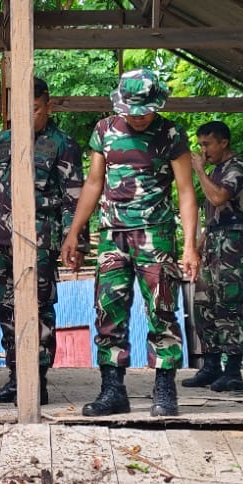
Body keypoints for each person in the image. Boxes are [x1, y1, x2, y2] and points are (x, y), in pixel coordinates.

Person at [62, 70, 200, 418]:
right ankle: (112, 390)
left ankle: (164, 390)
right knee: (108, 311)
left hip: (156, 234)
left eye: (144, 110)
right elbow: (94, 183)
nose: (138, 117)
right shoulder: (105, 131)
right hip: (112, 234)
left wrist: (189, 246)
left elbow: (186, 191)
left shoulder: (171, 134)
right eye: (131, 111)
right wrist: (74, 231)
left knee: (162, 311)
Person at [0, 76, 84, 403]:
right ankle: (17, 377)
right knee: (4, 306)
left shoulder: (62, 144)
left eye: (36, 108)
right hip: (2, 239)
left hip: (40, 242)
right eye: (22, 109)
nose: (29, 115)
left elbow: (74, 199)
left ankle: (37, 382)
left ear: (48, 105)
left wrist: (75, 240)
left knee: (39, 309)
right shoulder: (3, 140)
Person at [183, 121, 243, 393]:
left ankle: (233, 370)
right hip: (212, 241)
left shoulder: (237, 167)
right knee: (203, 303)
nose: (203, 150)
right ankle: (211, 366)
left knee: (228, 303)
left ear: (223, 143)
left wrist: (199, 170)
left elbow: (218, 198)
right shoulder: (216, 170)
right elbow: (208, 216)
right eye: (200, 145)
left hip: (231, 243)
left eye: (207, 144)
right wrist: (197, 248)